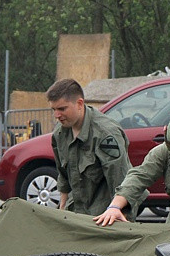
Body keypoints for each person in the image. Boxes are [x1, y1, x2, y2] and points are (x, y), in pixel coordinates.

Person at [46, 78, 132, 216]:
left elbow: (122, 183)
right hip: (75, 214)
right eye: (54, 109)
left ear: (79, 103)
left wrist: (120, 221)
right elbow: (63, 175)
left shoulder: (105, 134)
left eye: (62, 109)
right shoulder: (60, 133)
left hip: (103, 218)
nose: (57, 115)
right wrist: (62, 209)